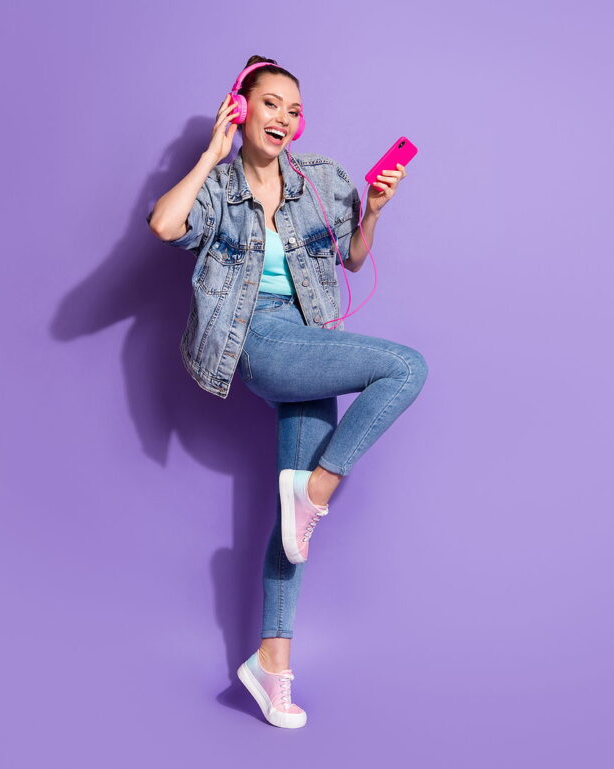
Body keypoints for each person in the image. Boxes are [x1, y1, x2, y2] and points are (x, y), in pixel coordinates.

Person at [147, 55, 428, 728]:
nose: (285, 119)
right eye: (270, 104)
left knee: (292, 532)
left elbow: (352, 258)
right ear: (240, 109)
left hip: (313, 343)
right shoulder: (217, 186)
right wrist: (213, 152)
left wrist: (376, 212)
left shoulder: (319, 178)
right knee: (406, 366)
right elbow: (164, 225)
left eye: (294, 109)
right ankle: (319, 490)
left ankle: (271, 662)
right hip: (263, 343)